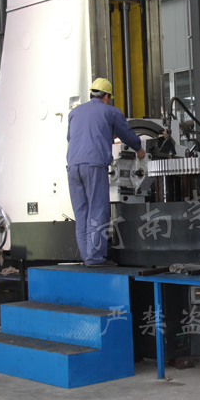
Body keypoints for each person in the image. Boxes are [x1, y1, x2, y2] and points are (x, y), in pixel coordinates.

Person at [67, 78, 146, 267]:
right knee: (98, 209)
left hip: (72, 166)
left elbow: (70, 138)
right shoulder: (111, 112)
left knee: (82, 213)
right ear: (106, 96)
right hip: (93, 165)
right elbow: (125, 133)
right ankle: (95, 258)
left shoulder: (74, 112)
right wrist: (139, 148)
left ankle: (87, 257)